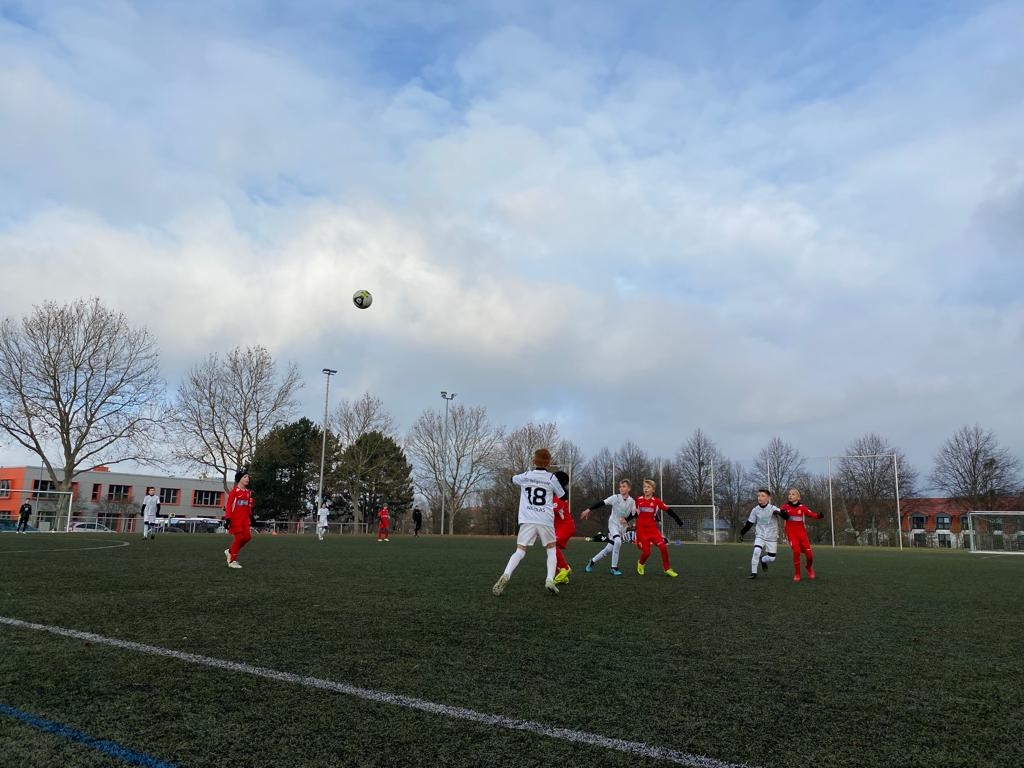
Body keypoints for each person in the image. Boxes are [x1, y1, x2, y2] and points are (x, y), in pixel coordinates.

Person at [492, 448, 567, 596]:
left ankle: (506, 574)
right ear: (549, 463)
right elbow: (563, 496)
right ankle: (549, 579)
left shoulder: (526, 476)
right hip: (545, 519)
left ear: (534, 461)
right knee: (551, 549)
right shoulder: (552, 478)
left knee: (520, 551)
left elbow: (512, 479)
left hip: (527, 519)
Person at [581, 479, 636, 576]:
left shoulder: (632, 501)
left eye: (624, 486)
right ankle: (613, 568)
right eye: (620, 486)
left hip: (622, 527)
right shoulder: (615, 498)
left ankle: (592, 561)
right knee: (618, 542)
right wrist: (588, 510)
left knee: (609, 549)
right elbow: (601, 503)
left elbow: (635, 514)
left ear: (629, 488)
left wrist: (627, 520)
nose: (621, 488)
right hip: (613, 524)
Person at [632, 479, 683, 578]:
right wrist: (625, 519)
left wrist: (678, 520)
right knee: (647, 552)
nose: (646, 489)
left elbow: (669, 510)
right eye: (644, 487)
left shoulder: (656, 501)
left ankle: (667, 569)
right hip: (641, 531)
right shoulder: (638, 500)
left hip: (652, 530)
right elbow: (631, 512)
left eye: (648, 487)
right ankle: (641, 563)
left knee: (663, 547)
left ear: (653, 489)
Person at [778, 487, 824, 581]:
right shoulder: (785, 507)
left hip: (802, 534)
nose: (790, 496)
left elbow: (812, 514)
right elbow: (780, 512)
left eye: (793, 494)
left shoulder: (802, 507)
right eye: (789, 494)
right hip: (791, 534)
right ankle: (797, 574)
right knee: (796, 551)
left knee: (809, 555)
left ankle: (808, 567)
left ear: (798, 497)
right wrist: (779, 513)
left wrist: (819, 516)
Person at [739, 488, 783, 579]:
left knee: (771, 558)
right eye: (758, 496)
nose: (760, 498)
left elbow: (786, 516)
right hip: (760, 535)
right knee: (756, 551)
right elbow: (749, 523)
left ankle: (763, 560)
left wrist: (779, 513)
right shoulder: (755, 510)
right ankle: (753, 573)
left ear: (768, 498)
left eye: (762, 496)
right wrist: (742, 533)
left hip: (772, 537)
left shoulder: (773, 508)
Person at [223, 469, 255, 569]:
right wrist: (228, 518)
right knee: (239, 538)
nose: (247, 479)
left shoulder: (248, 492)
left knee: (248, 537)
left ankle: (230, 551)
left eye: (248, 477)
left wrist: (251, 517)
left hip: (244, 520)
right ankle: (232, 560)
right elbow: (228, 506)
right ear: (239, 479)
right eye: (245, 477)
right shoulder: (234, 492)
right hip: (235, 519)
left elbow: (248, 507)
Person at [551, 470, 575, 584]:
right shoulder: (554, 494)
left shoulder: (561, 496)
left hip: (566, 526)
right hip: (560, 527)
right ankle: (563, 574)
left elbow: (550, 510)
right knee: (550, 550)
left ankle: (565, 568)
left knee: (551, 545)